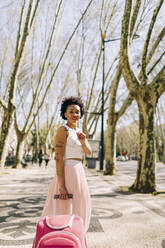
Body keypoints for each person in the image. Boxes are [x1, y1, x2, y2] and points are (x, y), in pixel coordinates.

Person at [41, 96, 92, 235]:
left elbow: (89, 152)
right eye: (71, 111)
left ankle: (76, 238)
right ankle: (58, 238)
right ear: (65, 114)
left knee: (79, 207)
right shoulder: (63, 130)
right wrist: (61, 186)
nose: (75, 114)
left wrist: (83, 141)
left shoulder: (79, 132)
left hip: (79, 172)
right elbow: (58, 158)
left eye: (77, 111)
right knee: (63, 210)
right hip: (67, 172)